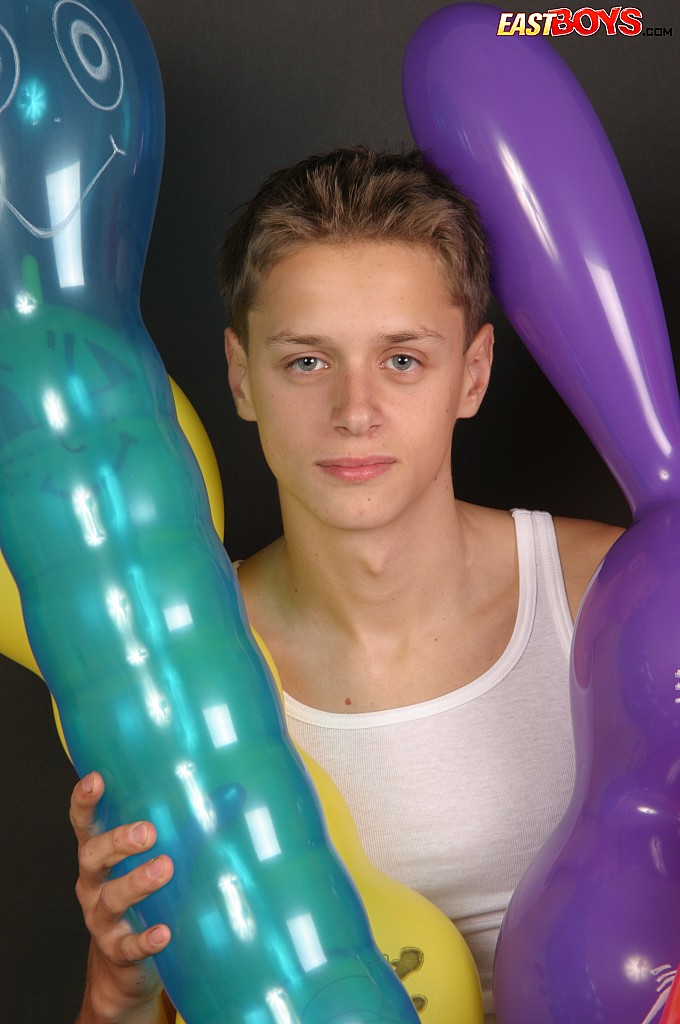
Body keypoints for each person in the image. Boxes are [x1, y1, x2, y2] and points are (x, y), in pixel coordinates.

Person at [70, 147, 622, 1024]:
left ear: (473, 373)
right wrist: (118, 989)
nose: (354, 411)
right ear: (241, 376)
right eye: (306, 362)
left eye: (401, 360)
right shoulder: (173, 672)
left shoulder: (612, 600)